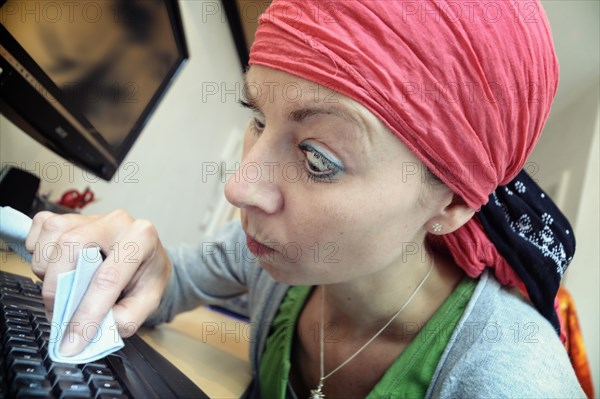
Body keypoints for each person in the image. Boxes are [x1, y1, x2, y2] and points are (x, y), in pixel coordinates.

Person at [25, 1, 586, 398]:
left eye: (318, 158)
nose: (239, 186)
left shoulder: (507, 377)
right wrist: (122, 269)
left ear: (451, 204)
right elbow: (163, 291)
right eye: (257, 117)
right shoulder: (267, 258)